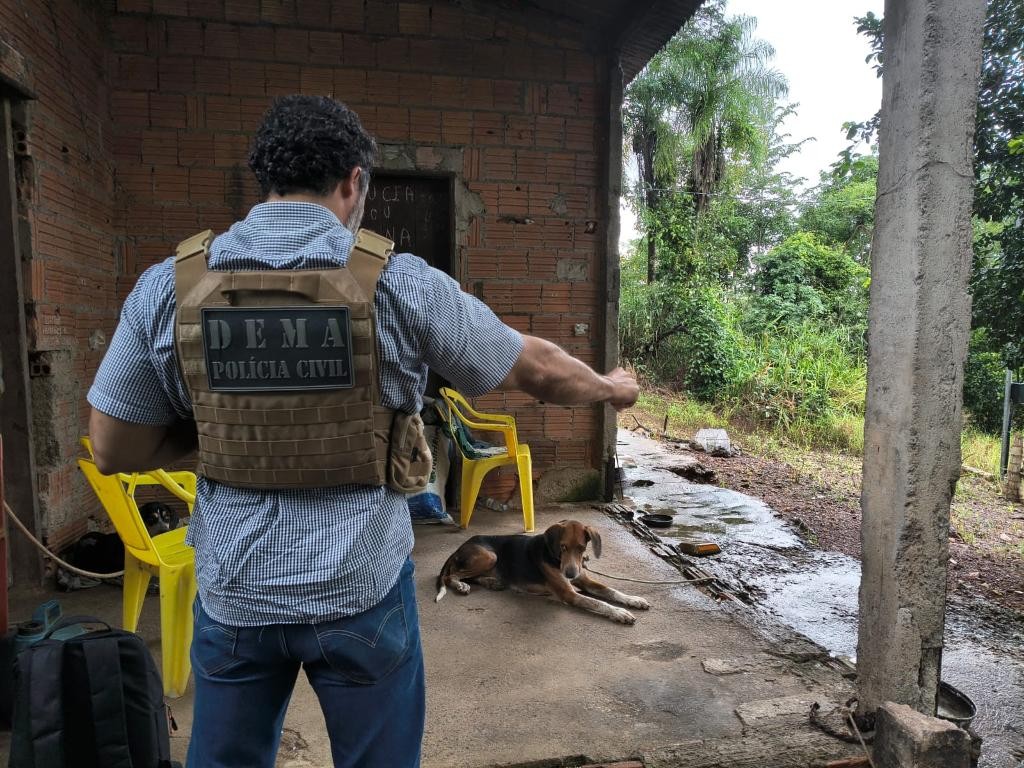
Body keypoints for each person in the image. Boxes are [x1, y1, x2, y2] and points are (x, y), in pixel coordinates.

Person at [87, 94, 639, 768]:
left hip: (235, 592)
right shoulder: (399, 283)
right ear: (353, 181)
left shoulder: (168, 287)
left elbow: (113, 447)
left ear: (265, 179)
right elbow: (538, 369)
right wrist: (613, 386)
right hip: (361, 593)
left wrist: (219, 434)